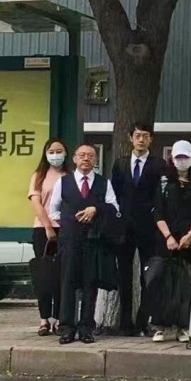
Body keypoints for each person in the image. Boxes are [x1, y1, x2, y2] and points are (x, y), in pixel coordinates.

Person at [48, 144, 120, 344]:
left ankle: (86, 328)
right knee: (68, 283)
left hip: (94, 241)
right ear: (74, 159)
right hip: (70, 240)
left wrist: (95, 209)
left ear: (96, 160)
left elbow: (114, 207)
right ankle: (66, 328)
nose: (86, 158)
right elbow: (53, 210)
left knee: (90, 284)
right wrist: (67, 223)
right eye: (82, 155)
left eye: (90, 155)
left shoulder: (103, 183)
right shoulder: (64, 182)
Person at [110, 122, 167, 336]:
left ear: (151, 139)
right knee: (124, 276)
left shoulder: (159, 165)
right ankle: (125, 322)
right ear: (130, 138)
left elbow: (161, 198)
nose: (141, 140)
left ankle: (144, 320)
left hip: (149, 228)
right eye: (137, 135)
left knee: (148, 276)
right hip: (124, 228)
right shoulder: (120, 164)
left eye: (145, 136)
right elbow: (113, 195)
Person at [150, 140, 191, 343]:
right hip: (166, 242)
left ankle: (183, 327)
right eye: (178, 158)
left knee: (185, 284)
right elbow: (158, 212)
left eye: (186, 157)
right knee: (161, 281)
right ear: (172, 159)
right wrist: (168, 237)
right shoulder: (164, 182)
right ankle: (159, 326)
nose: (182, 161)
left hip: (189, 242)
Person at [27, 138, 72, 336]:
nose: (55, 154)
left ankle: (60, 318)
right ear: (46, 154)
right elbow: (36, 203)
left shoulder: (70, 175)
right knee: (44, 274)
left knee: (62, 275)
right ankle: (44, 319)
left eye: (59, 150)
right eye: (51, 151)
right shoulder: (39, 175)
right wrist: (48, 227)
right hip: (43, 229)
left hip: (67, 230)